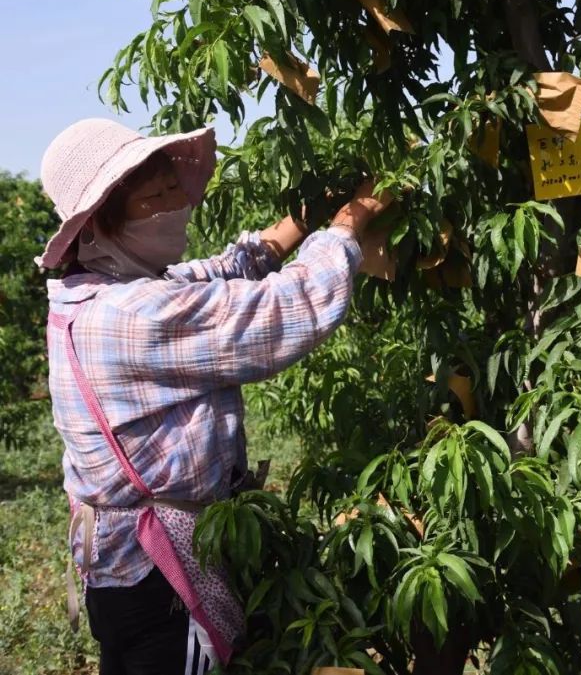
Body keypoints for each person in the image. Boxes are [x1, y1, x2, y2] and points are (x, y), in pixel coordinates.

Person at [39, 118, 389, 675]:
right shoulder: (131, 316)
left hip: (120, 567)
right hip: (160, 575)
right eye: (158, 196)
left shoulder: (92, 295)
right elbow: (281, 311)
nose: (178, 204)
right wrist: (351, 222)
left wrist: (297, 223)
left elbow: (223, 272)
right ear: (101, 221)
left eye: (175, 189)